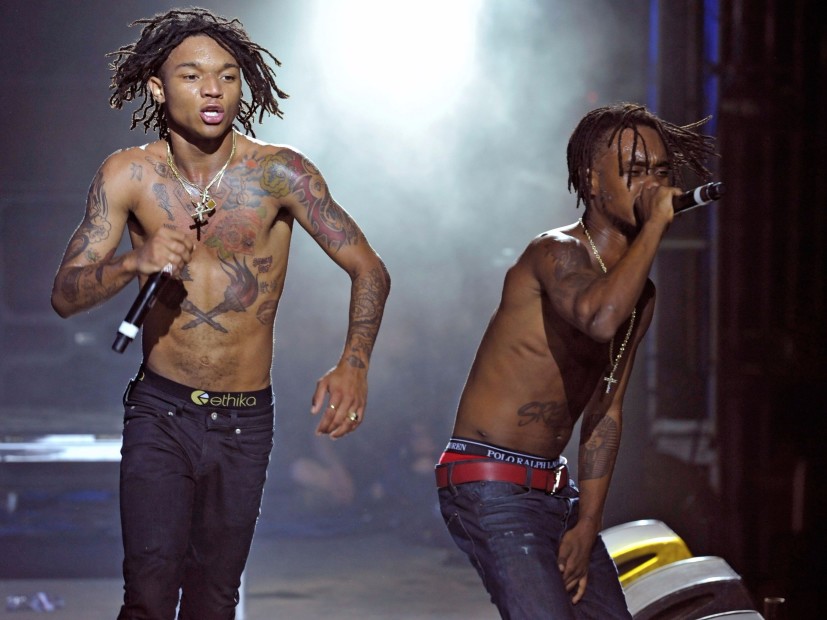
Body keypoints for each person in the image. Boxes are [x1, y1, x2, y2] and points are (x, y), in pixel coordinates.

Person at [50, 8, 390, 619]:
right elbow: (65, 295)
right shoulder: (128, 174)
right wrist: (133, 262)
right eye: (193, 76)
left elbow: (369, 269)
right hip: (161, 412)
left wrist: (354, 364)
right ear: (158, 88)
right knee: (149, 595)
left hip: (244, 420)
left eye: (228, 76)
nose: (213, 90)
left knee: (214, 598)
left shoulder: (280, 173)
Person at [435, 102, 717, 619]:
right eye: (635, 171)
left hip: (555, 491)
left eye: (661, 172)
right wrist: (655, 226)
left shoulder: (640, 296)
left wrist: (588, 522)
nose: (652, 184)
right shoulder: (556, 252)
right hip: (490, 482)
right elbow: (599, 317)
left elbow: (606, 411)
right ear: (591, 180)